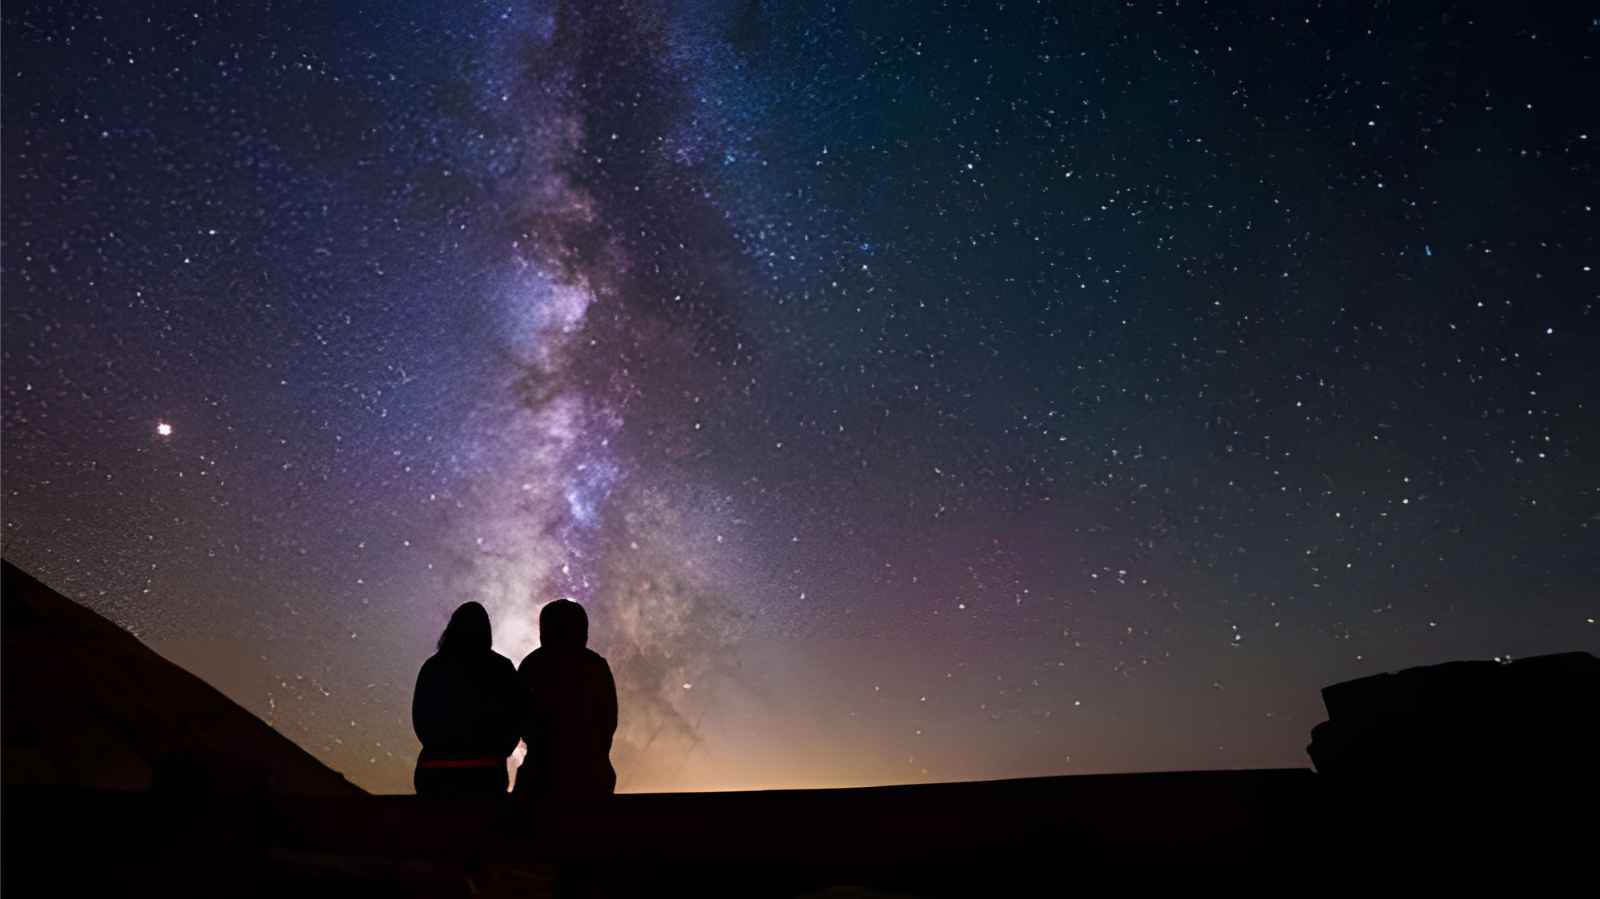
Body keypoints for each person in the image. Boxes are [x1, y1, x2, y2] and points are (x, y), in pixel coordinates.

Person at [412, 601, 523, 796]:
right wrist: (495, 752)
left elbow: (421, 720)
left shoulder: (433, 667)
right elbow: (516, 719)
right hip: (486, 774)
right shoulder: (501, 668)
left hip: (436, 774)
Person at [514, 598, 618, 801]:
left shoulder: (532, 665)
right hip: (591, 774)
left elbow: (520, 718)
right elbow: (608, 719)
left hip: (541, 772)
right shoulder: (595, 666)